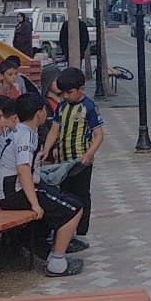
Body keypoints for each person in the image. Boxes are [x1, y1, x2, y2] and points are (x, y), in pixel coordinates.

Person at [0, 94, 86, 276]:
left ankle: (45, 248)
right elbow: (23, 169)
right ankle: (57, 264)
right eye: (44, 110)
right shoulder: (25, 136)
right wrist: (35, 203)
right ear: (39, 113)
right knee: (74, 208)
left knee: (62, 199)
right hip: (15, 192)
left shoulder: (23, 131)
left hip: (17, 189)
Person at [42, 66, 103, 245]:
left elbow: (98, 135)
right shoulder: (61, 107)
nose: (66, 96)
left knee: (81, 194)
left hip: (81, 161)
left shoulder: (89, 107)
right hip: (63, 160)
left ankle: (80, 230)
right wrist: (47, 148)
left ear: (81, 89)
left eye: (69, 92)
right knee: (64, 195)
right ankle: (66, 231)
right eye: (64, 93)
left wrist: (89, 154)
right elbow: (55, 129)